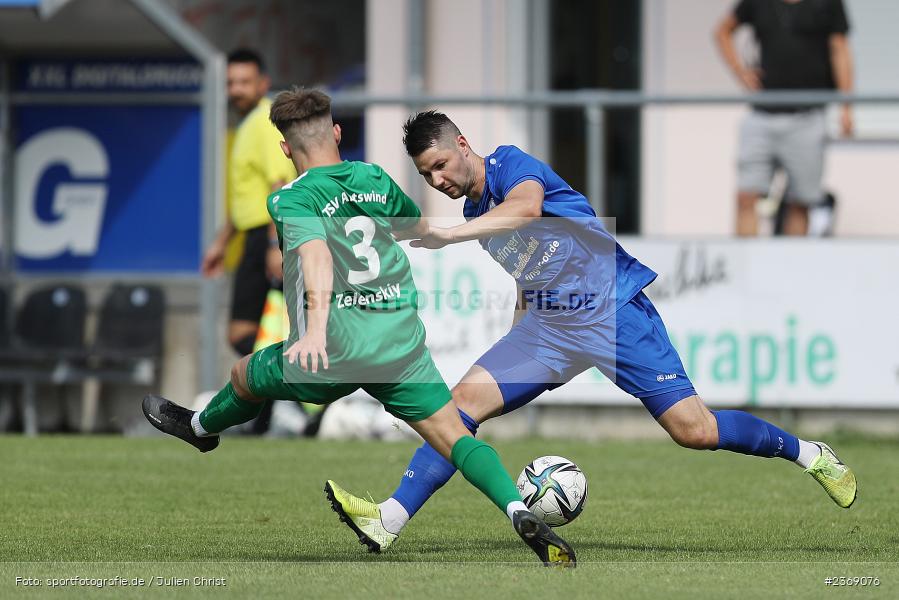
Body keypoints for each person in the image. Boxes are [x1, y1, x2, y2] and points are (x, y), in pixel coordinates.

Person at [326, 111, 857, 552]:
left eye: (440, 164)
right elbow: (526, 267)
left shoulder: (510, 165)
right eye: (426, 175)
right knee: (456, 407)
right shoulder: (474, 209)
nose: (437, 180)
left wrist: (449, 235)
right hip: (551, 329)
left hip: (611, 311)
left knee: (696, 431)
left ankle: (809, 454)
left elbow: (527, 208)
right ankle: (387, 520)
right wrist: (518, 335)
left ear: (462, 145)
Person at [142, 90, 575, 567]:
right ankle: (517, 511)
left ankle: (201, 428)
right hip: (399, 345)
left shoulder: (291, 198)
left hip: (334, 352)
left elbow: (316, 255)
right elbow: (416, 228)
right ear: (338, 133)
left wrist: (314, 331)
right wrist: (438, 238)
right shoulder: (373, 179)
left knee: (245, 374)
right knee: (456, 438)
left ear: (286, 150)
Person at [714, 0, 854, 236]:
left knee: (800, 202)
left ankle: (790, 269)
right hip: (761, 114)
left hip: (807, 116)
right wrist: (741, 71)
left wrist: (847, 107)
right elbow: (723, 31)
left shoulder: (828, 3)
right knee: (746, 196)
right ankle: (746, 268)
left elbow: (839, 49)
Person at [202, 48, 296, 356]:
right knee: (254, 335)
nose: (236, 90)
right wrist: (221, 242)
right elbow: (248, 197)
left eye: (244, 82)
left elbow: (279, 186)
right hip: (252, 237)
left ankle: (307, 400)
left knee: (251, 333)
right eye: (230, 83)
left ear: (262, 83)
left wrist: (274, 245)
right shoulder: (248, 124)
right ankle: (281, 401)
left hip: (265, 237)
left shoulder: (265, 122)